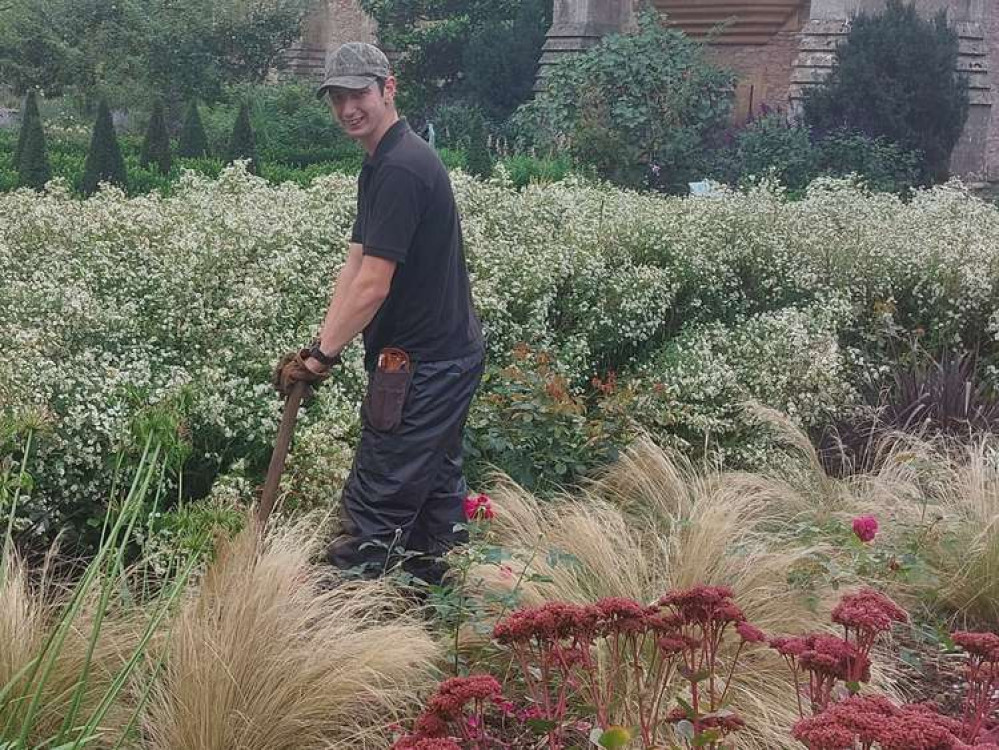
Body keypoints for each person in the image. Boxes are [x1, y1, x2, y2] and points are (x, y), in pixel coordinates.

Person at [273, 42, 485, 587]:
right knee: (435, 499)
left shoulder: (401, 168)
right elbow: (355, 265)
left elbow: (373, 285)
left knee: (378, 500)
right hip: (439, 360)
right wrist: (317, 347)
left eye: (359, 93)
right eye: (337, 98)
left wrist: (323, 357)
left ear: (389, 89)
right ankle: (441, 620)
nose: (348, 108)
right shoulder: (384, 160)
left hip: (425, 366)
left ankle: (337, 631)